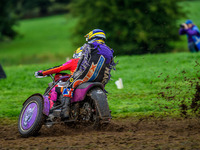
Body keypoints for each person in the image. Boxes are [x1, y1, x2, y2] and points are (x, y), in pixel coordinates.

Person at [61, 29, 115, 119]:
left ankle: (65, 110)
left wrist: (77, 73)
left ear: (92, 36)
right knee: (102, 91)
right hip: (102, 78)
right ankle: (104, 109)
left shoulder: (89, 45)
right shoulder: (109, 50)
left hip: (87, 75)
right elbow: (110, 66)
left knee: (68, 85)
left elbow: (83, 60)